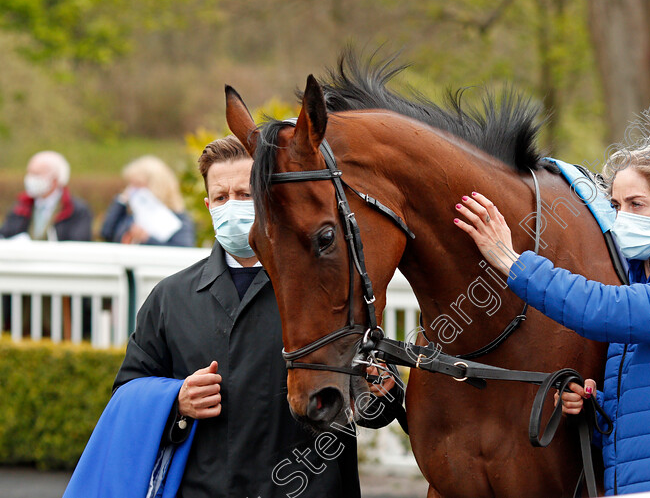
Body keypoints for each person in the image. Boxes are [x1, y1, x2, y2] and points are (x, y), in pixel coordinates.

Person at [453, 137, 650, 495]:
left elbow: (601, 308)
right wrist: (595, 404)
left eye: (637, 204)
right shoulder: (643, 294)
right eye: (616, 205)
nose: (623, 218)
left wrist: (512, 261)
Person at [111, 135, 401, 498]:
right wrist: (176, 401)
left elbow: (377, 406)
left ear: (268, 198)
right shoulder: (169, 298)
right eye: (221, 197)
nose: (232, 205)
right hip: (203, 489)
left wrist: (383, 390)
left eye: (245, 195)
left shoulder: (328, 289)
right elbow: (126, 392)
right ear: (207, 205)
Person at [100, 155, 195, 246]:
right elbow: (106, 233)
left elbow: (182, 250)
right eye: (131, 185)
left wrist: (147, 239)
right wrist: (121, 201)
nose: (132, 190)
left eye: (137, 184)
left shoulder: (178, 220)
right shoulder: (131, 216)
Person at [0, 150, 92, 241]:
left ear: (55, 180)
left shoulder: (76, 210)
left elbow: (79, 243)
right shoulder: (21, 207)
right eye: (29, 173)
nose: (31, 179)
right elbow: (5, 235)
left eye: (36, 174)